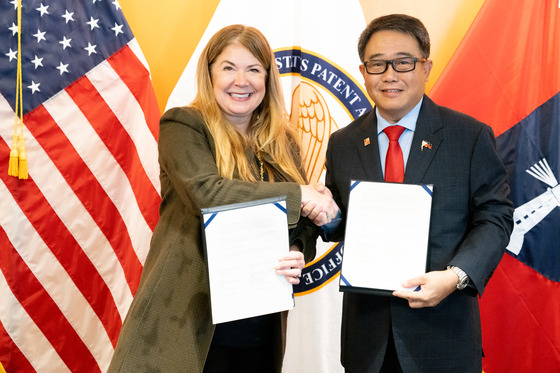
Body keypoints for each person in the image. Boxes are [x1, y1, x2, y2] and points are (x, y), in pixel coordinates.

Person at [107, 24, 336, 373]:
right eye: (229, 67)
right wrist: (300, 194)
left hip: (258, 325)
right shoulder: (183, 125)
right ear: (210, 73)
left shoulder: (284, 141)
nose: (240, 80)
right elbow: (208, 193)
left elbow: (301, 223)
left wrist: (297, 250)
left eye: (253, 69)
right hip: (186, 319)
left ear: (267, 78)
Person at [321, 14, 514, 372]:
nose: (390, 75)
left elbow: (495, 217)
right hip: (367, 344)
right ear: (363, 71)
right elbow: (338, 222)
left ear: (425, 67)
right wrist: (325, 213)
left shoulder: (468, 136)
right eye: (377, 64)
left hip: (443, 336)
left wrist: (455, 277)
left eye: (403, 62)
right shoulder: (343, 142)